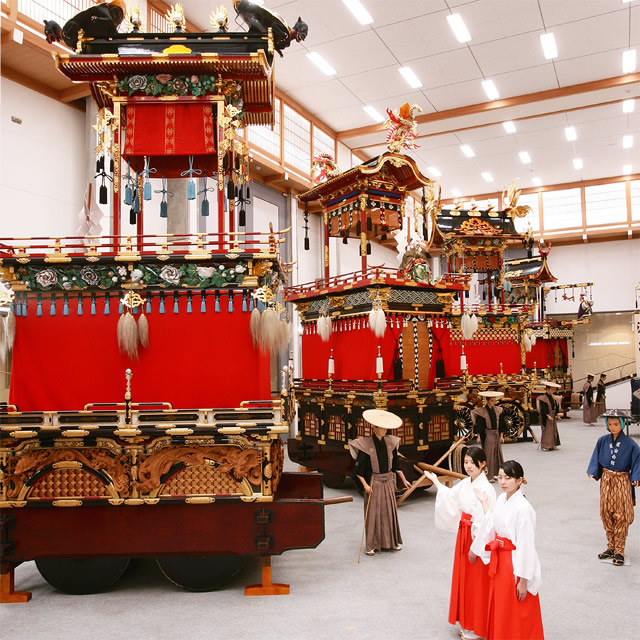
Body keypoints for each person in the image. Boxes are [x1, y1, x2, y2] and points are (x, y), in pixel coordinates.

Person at [423, 447, 497, 640]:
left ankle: (477, 627)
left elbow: (486, 520)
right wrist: (436, 482)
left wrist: (476, 547)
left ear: (483, 464)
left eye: (473, 462)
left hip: (476, 538)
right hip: (465, 535)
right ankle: (467, 622)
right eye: (466, 462)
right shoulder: (466, 483)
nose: (468, 466)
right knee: (465, 580)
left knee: (476, 582)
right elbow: (450, 496)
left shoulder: (486, 488)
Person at [472, 460, 544, 640]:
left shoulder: (523, 508)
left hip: (513, 562)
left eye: (508, 478)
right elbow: (492, 522)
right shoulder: (502, 498)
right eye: (501, 477)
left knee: (516, 607)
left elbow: (526, 545)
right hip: (501, 560)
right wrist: (485, 503)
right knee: (502, 605)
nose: (503, 482)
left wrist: (523, 580)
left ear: (520, 481)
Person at [349, 409, 411, 556]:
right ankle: (371, 545)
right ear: (374, 427)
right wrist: (366, 485)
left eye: (385, 427)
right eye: (381, 427)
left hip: (388, 482)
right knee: (373, 515)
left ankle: (391, 543)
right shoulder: (365, 445)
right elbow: (358, 471)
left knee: (389, 513)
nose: (384, 430)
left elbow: (395, 466)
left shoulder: (391, 442)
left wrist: (404, 479)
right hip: (374, 483)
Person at [587, 409, 640, 566]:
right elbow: (596, 457)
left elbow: (637, 461)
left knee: (621, 514)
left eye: (616, 424)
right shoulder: (602, 441)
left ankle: (619, 550)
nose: (613, 427)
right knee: (606, 512)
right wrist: (593, 471)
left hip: (622, 480)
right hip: (607, 480)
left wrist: (636, 477)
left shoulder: (631, 444)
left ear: (622, 424)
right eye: (610, 424)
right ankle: (610, 547)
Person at [472, 391, 506, 481]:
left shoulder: (498, 410)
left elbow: (501, 424)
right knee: (488, 454)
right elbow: (479, 426)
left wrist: (501, 436)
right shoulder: (482, 412)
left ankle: (496, 473)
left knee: (497, 454)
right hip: (488, 434)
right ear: (487, 401)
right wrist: (479, 436)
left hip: (496, 434)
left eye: (494, 400)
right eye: (492, 400)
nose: (493, 402)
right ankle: (488, 475)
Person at [537, 381, 561, 451]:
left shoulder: (552, 397)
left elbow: (555, 406)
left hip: (552, 415)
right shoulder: (543, 398)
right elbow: (543, 409)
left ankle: (552, 444)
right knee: (547, 431)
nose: (552, 391)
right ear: (547, 389)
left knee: (553, 430)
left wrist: (557, 415)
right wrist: (548, 416)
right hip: (547, 416)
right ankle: (545, 445)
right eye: (551, 389)